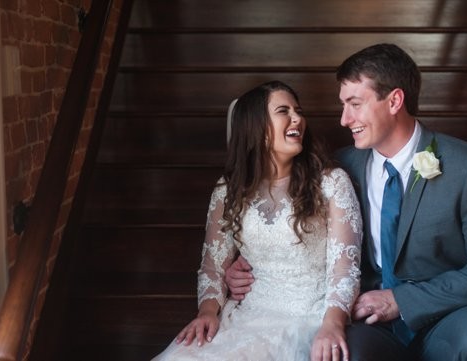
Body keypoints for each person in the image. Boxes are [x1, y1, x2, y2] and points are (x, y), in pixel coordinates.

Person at [227, 43, 467, 360]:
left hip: (449, 312)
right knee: (340, 354)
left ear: (394, 100)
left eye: (354, 104)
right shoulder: (338, 169)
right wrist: (246, 270)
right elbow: (293, 232)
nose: (344, 119)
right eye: (343, 105)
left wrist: (402, 300)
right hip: (368, 318)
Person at [151, 80, 363, 361]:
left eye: (298, 111)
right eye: (283, 111)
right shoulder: (227, 191)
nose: (297, 118)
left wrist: (332, 324)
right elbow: (213, 267)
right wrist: (207, 312)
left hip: (308, 318)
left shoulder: (331, 183)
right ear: (255, 126)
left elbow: (344, 270)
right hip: (246, 315)